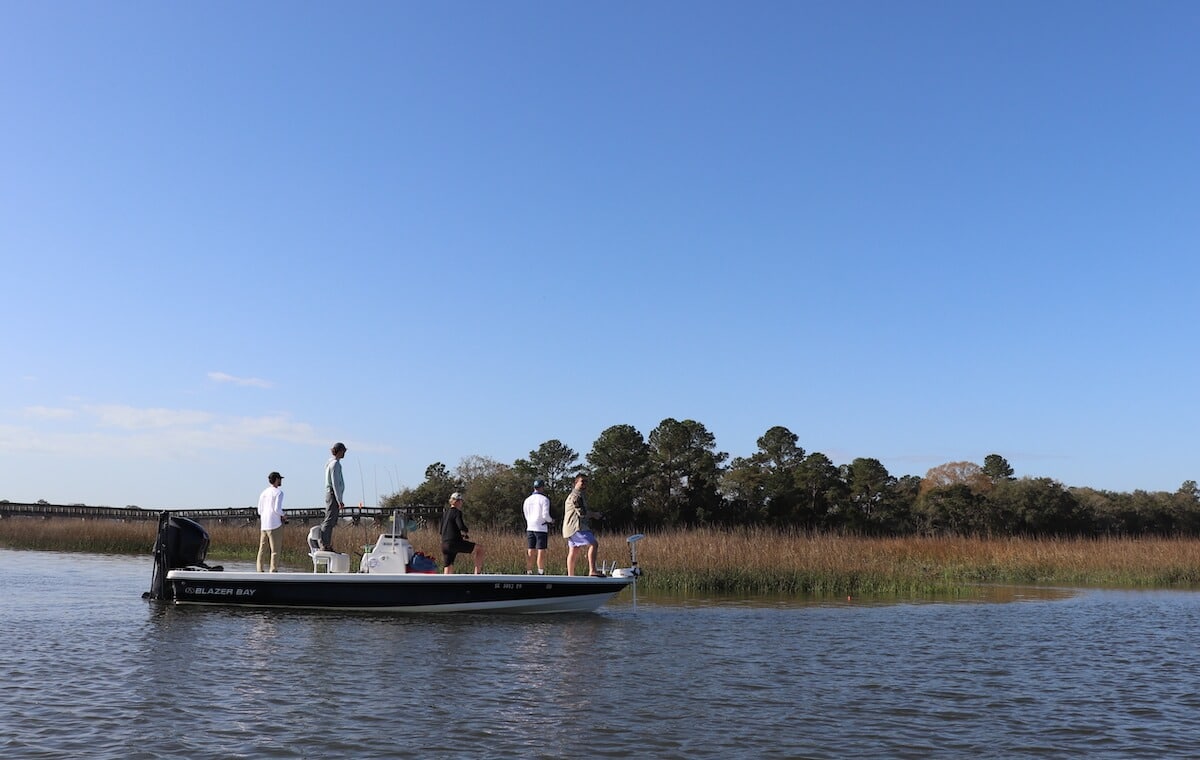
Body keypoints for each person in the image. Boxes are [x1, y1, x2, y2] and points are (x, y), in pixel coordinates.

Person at [563, 474, 604, 577]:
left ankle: (570, 576)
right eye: (582, 481)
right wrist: (595, 515)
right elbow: (582, 513)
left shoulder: (580, 495)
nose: (584, 484)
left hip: (570, 528)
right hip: (577, 527)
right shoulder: (576, 496)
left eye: (586, 482)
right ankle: (592, 570)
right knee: (593, 544)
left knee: (574, 550)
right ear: (576, 483)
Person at [440, 492, 484, 574]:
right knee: (480, 549)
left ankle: (445, 584)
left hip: (444, 545)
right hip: (453, 544)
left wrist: (460, 535)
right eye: (461, 501)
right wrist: (466, 531)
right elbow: (461, 526)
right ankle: (477, 575)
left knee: (448, 565)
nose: (462, 503)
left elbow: (441, 531)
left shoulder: (445, 513)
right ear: (457, 502)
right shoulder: (457, 512)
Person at [256, 471, 286, 572]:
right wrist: (283, 516)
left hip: (264, 524)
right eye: (280, 479)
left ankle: (259, 570)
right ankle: (273, 570)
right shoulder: (279, 493)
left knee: (262, 549)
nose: (281, 481)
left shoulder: (263, 493)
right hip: (275, 524)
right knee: (275, 550)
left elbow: (259, 510)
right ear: (276, 480)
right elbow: (277, 509)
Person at [523, 479, 554, 575]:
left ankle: (529, 570)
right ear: (542, 487)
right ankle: (540, 571)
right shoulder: (544, 499)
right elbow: (545, 515)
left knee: (530, 549)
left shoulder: (527, 500)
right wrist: (551, 520)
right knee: (541, 550)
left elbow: (525, 513)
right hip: (541, 527)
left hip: (530, 526)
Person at [320, 442, 347, 552]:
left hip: (330, 493)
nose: (344, 453)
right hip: (332, 494)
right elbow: (335, 482)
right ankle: (325, 544)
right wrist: (339, 499)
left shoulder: (330, 463)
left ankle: (326, 543)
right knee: (330, 519)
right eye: (344, 451)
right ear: (340, 451)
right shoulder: (335, 464)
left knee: (331, 519)